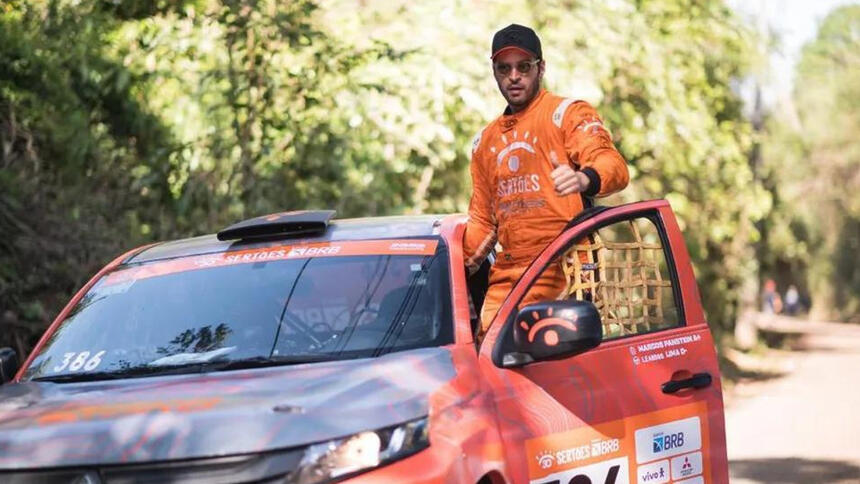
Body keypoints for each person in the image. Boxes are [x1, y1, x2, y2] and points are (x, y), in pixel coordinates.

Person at [464, 24, 629, 336]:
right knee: (488, 355)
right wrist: (448, 267)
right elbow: (482, 221)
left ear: (540, 68)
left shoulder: (566, 113)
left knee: (554, 359)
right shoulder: (484, 141)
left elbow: (614, 165)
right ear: (495, 71)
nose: (514, 76)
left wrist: (585, 179)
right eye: (504, 68)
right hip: (510, 272)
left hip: (568, 265)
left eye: (523, 67)